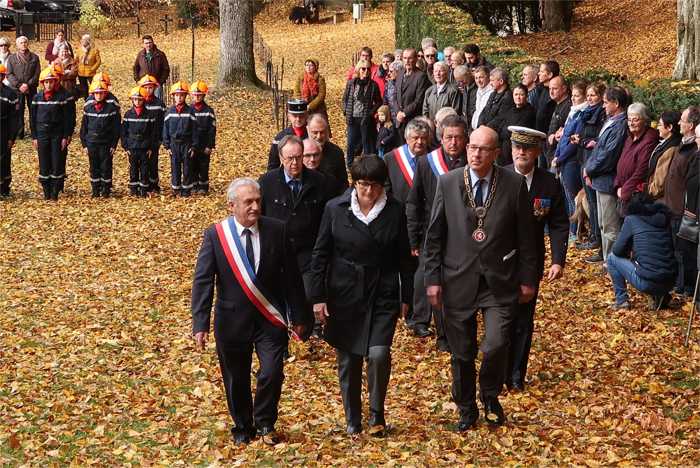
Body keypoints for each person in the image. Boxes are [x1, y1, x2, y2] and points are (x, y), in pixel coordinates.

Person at [424, 125, 537, 429]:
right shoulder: (448, 183)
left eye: (483, 149)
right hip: (457, 278)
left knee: (497, 343)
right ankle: (465, 407)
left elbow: (528, 237)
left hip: (499, 279)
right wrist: (431, 279)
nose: (475, 153)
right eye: (472, 147)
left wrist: (529, 279)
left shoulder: (513, 184)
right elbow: (434, 236)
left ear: (496, 153)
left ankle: (489, 394)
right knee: (461, 352)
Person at [191, 178, 311, 445]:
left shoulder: (277, 230)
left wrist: (300, 316)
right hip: (231, 322)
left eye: (258, 201)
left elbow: (292, 277)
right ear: (231, 205)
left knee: (271, 372)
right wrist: (200, 323)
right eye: (248, 202)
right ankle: (243, 427)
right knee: (236, 378)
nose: (255, 206)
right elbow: (203, 280)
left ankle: (265, 421)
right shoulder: (216, 235)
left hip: (270, 320)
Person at [309, 156, 412, 436]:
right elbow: (320, 254)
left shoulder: (394, 211)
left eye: (375, 186)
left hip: (382, 291)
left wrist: (408, 297)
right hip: (344, 292)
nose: (368, 191)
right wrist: (317, 296)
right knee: (349, 359)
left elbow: (404, 257)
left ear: (383, 186)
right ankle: (352, 416)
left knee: (378, 354)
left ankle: (376, 413)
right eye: (363, 185)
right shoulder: (335, 209)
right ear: (354, 183)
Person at [504, 126, 568, 391]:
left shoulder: (548, 183)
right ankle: (496, 371)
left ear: (537, 151)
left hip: (530, 262)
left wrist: (557, 260)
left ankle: (516, 374)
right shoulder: (499, 176)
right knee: (499, 318)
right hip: (499, 260)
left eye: (527, 148)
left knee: (522, 320)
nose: (521, 152)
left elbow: (559, 223)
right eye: (518, 147)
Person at [406, 115, 468, 346]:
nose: (453, 142)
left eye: (458, 138)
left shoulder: (472, 164)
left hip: (462, 235)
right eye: (449, 137)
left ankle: (450, 330)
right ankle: (429, 325)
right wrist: (413, 238)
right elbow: (414, 202)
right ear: (441, 139)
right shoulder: (426, 162)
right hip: (431, 233)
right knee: (429, 278)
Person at [259, 135, 330, 299]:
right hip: (277, 253)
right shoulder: (267, 182)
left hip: (308, 254)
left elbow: (325, 220)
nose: (295, 163)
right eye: (290, 158)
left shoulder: (319, 182)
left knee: (308, 297)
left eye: (299, 157)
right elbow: (260, 217)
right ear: (281, 158)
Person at [606, 193, 677, 309]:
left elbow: (617, 250)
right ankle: (661, 295)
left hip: (648, 282)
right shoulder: (663, 219)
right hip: (670, 282)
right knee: (655, 261)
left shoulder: (632, 220)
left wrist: (629, 252)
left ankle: (621, 301)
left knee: (611, 259)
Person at [583, 86, 629, 264]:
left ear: (616, 103)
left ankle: (613, 263)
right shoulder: (611, 120)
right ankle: (606, 259)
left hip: (607, 180)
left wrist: (590, 169)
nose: (603, 106)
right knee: (603, 223)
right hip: (599, 179)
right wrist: (588, 169)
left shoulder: (620, 124)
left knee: (610, 226)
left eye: (605, 102)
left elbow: (608, 155)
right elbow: (599, 149)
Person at [662, 108, 700, 296]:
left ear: (691, 125)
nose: (678, 123)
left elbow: (690, 184)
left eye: (682, 120)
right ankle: (679, 284)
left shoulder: (693, 151)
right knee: (675, 250)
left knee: (684, 252)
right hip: (671, 207)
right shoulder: (681, 146)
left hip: (682, 210)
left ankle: (686, 288)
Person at [572, 82, 607, 253]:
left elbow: (597, 141)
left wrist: (583, 141)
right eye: (588, 95)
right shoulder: (586, 112)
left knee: (594, 203)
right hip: (583, 159)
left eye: (593, 95)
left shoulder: (601, 113)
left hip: (592, 162)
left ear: (600, 96)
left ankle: (597, 238)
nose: (589, 98)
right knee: (591, 203)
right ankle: (593, 235)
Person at [30, 66, 73, 200]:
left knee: (56, 160)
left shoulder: (62, 97)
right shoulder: (37, 98)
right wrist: (34, 137)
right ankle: (46, 190)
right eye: (46, 82)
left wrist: (65, 136)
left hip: (57, 134)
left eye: (51, 81)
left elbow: (68, 118)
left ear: (56, 82)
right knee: (44, 161)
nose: (49, 84)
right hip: (42, 133)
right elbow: (32, 118)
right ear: (43, 83)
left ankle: (55, 191)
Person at [553, 80, 588, 238]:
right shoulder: (573, 111)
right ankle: (571, 229)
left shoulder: (581, 115)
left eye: (577, 96)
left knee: (573, 197)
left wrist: (560, 158)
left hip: (571, 161)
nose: (573, 98)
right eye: (572, 95)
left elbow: (573, 143)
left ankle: (575, 231)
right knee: (566, 196)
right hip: (562, 158)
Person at [614, 103, 658, 215]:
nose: (631, 123)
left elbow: (642, 170)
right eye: (629, 120)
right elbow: (621, 161)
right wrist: (618, 185)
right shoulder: (630, 137)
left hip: (634, 195)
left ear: (645, 120)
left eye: (635, 120)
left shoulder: (649, 140)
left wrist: (624, 191)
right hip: (622, 191)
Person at [80, 80, 121, 198]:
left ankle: (106, 189)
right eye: (96, 93)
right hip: (92, 142)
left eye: (101, 93)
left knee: (106, 166)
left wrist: (114, 144)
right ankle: (95, 189)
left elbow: (116, 128)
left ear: (105, 94)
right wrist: (84, 144)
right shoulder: (88, 108)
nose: (99, 96)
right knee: (93, 166)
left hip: (106, 143)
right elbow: (84, 127)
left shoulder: (111, 108)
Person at [342, 60, 382, 167]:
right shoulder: (351, 83)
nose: (366, 71)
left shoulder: (373, 85)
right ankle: (350, 165)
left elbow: (379, 101)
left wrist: (371, 113)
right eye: (363, 69)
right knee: (351, 143)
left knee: (366, 143)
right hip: (352, 118)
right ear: (358, 70)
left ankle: (368, 165)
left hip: (366, 119)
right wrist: (345, 110)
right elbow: (345, 99)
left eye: (368, 69)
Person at [162, 81, 198, 197]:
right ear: (173, 96)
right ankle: (176, 188)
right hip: (174, 143)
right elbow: (165, 129)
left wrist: (194, 146)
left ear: (186, 96)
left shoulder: (190, 111)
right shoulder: (169, 112)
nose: (179, 97)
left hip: (186, 143)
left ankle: (186, 189)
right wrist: (166, 145)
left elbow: (195, 130)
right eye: (177, 95)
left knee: (187, 166)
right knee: (175, 166)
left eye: (182, 95)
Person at [122, 86, 155, 197]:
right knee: (133, 168)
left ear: (144, 100)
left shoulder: (150, 115)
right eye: (135, 99)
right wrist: (125, 147)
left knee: (145, 169)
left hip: (145, 147)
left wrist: (151, 147)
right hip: (132, 146)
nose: (137, 101)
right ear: (132, 100)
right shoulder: (128, 115)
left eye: (140, 99)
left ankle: (144, 189)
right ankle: (133, 189)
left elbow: (152, 133)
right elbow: (124, 132)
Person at [5, 36, 41, 139]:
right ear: (17, 45)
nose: (23, 44)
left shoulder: (35, 57)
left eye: (25, 42)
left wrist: (28, 85)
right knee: (18, 110)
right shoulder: (12, 58)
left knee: (33, 110)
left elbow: (37, 73)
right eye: (21, 43)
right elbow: (9, 74)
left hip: (31, 88)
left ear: (28, 43)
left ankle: (34, 133)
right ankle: (19, 133)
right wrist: (19, 85)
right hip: (17, 89)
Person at [395, 49, 431, 143]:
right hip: (399, 120)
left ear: (415, 59)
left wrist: (404, 113)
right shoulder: (400, 73)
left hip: (412, 120)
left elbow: (419, 100)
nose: (407, 61)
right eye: (405, 58)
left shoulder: (421, 76)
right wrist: (398, 112)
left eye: (410, 58)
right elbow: (395, 95)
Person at [496, 84, 536, 165]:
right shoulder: (510, 109)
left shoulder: (530, 112)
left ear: (526, 96)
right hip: (503, 150)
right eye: (516, 94)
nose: (518, 97)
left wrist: (502, 132)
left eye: (521, 94)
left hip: (517, 151)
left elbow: (516, 130)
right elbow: (499, 123)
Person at [139, 74, 166, 193]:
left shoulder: (159, 104)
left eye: (151, 88)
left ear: (155, 88)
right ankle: (144, 183)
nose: (148, 90)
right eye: (146, 87)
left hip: (155, 138)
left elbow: (164, 121)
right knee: (142, 162)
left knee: (153, 161)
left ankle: (154, 184)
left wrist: (161, 138)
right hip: (142, 139)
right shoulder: (139, 101)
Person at [646, 111, 681, 199]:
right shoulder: (665, 143)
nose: (657, 128)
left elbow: (659, 183)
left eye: (660, 125)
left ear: (669, 127)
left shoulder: (671, 149)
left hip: (657, 199)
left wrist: (649, 191)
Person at [306, 113, 348, 189]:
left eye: (322, 132)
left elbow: (343, 184)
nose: (319, 137)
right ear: (308, 130)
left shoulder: (336, 153)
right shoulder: (299, 150)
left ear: (327, 131)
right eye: (315, 133)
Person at [190, 80, 217, 194]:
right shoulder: (189, 110)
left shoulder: (209, 111)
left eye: (199, 95)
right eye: (195, 95)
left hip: (204, 143)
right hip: (192, 144)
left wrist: (209, 145)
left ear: (204, 95)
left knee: (204, 165)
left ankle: (204, 186)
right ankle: (194, 185)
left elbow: (212, 130)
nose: (197, 97)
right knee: (192, 165)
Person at [267, 99, 309, 170]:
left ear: (306, 115)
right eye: (295, 116)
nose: (298, 119)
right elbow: (273, 165)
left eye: (301, 115)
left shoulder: (312, 134)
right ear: (289, 116)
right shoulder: (280, 137)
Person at [294, 58, 329, 134]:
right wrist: (301, 102)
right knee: (304, 130)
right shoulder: (301, 78)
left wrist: (311, 106)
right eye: (306, 65)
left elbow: (321, 95)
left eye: (311, 65)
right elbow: (296, 91)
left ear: (315, 67)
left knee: (318, 128)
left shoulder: (320, 79)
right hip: (303, 108)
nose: (308, 67)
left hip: (317, 109)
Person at [544, 76, 571, 168]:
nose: (551, 92)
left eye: (554, 89)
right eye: (550, 89)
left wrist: (554, 138)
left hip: (559, 158)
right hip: (551, 154)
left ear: (564, 88)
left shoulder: (568, 107)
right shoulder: (557, 104)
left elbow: (566, 133)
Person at [0, 64, 18, 197]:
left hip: (3, 129)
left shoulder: (10, 94)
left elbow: (14, 118)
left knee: (3, 159)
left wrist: (12, 137)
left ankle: (4, 187)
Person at [133, 35, 170, 100]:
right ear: (143, 44)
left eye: (150, 42)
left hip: (156, 85)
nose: (148, 45)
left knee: (157, 102)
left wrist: (160, 82)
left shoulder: (160, 54)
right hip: (143, 84)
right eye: (146, 43)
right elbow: (136, 68)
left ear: (153, 42)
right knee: (143, 101)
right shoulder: (140, 54)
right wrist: (137, 80)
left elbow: (166, 70)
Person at [478, 67, 514, 133]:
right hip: (485, 131)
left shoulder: (508, 97)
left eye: (492, 80)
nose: (490, 83)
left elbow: (501, 118)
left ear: (501, 81)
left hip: (495, 134)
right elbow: (484, 111)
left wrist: (486, 129)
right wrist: (480, 125)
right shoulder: (492, 94)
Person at [534, 60, 559, 135]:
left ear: (550, 75)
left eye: (542, 72)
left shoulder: (556, 95)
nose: (538, 73)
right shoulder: (541, 89)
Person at [75, 34, 101, 99]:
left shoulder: (94, 50)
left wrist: (93, 69)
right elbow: (76, 60)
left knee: (94, 87)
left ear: (88, 41)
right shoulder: (79, 50)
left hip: (90, 72)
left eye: (84, 40)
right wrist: (78, 67)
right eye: (82, 40)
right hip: (81, 73)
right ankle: (86, 100)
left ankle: (94, 99)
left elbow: (98, 61)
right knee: (84, 88)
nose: (82, 41)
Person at [470, 66, 493, 132]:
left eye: (481, 77)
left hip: (486, 131)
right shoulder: (478, 91)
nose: (478, 81)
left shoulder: (492, 92)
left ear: (488, 77)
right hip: (475, 129)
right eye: (476, 78)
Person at [382, 61, 401, 126]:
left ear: (398, 72)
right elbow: (385, 101)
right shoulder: (388, 84)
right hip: (390, 120)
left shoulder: (405, 84)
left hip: (401, 119)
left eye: (391, 71)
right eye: (388, 71)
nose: (389, 73)